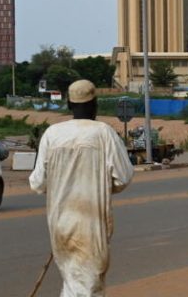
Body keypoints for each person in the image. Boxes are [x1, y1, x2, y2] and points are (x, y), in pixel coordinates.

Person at [29, 79, 134, 297]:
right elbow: (123, 177)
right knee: (89, 286)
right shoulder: (103, 133)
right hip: (90, 225)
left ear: (69, 105)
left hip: (60, 224)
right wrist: (100, 185)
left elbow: (38, 182)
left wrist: (62, 185)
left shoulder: (52, 134)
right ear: (95, 104)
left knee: (73, 282)